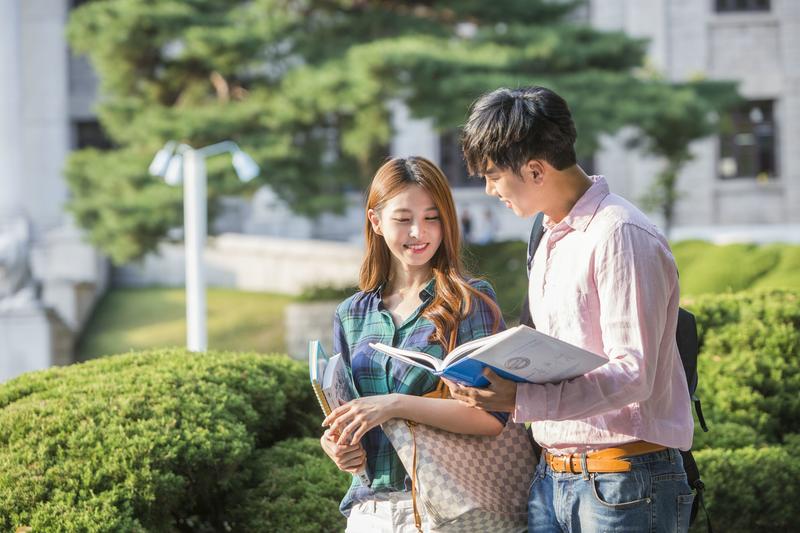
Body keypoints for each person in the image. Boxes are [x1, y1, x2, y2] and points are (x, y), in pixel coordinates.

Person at [446, 86, 695, 532]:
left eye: (493, 175)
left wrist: (522, 398)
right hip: (554, 478)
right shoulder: (548, 234)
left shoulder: (620, 234)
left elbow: (633, 374)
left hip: (621, 481)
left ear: (536, 170)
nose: (488, 189)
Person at [320, 156, 507, 532]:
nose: (419, 232)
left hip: (447, 510)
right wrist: (339, 446)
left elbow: (490, 417)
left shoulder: (468, 302)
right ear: (375, 221)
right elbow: (348, 411)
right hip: (369, 512)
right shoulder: (352, 314)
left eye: (432, 217)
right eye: (403, 219)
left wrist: (393, 406)